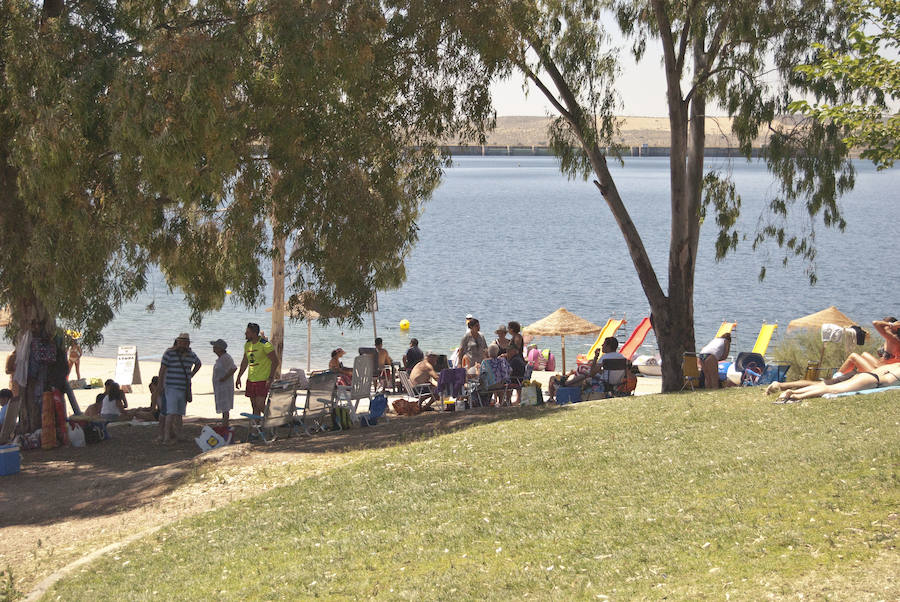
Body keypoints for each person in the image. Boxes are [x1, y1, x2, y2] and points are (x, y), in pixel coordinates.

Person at [775, 362, 900, 403]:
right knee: (831, 389)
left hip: (866, 376)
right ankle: (796, 396)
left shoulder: (896, 365)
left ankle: (793, 392)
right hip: (873, 381)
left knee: (832, 386)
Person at [158, 332, 202, 445]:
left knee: (179, 413)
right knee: (171, 412)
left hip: (183, 387)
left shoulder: (191, 354)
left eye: (185, 343)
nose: (183, 345)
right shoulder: (169, 353)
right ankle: (166, 437)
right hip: (171, 387)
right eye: (181, 342)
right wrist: (160, 385)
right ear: (177, 342)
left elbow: (198, 364)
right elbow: (162, 370)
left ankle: (178, 434)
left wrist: (191, 374)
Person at [235, 322, 278, 416]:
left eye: (248, 332)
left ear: (254, 333)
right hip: (251, 379)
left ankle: (273, 420)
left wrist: (270, 378)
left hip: (263, 379)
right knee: (254, 406)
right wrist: (239, 377)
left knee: (260, 404)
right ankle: (257, 428)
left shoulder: (265, 345)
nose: (245, 334)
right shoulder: (247, 344)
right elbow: (245, 361)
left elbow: (275, 361)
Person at [835, 317, 900, 375]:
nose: (883, 329)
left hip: (884, 372)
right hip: (880, 367)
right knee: (864, 354)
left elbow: (875, 323)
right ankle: (847, 376)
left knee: (853, 357)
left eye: (885, 327)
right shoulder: (889, 339)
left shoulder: (894, 339)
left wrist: (891, 325)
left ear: (894, 329)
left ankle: (836, 378)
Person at [210, 339, 237, 427]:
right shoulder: (220, 358)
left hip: (225, 387)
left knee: (225, 407)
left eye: (215, 346)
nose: (213, 348)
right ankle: (224, 424)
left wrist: (224, 378)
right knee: (223, 406)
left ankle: (225, 425)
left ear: (220, 348)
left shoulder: (226, 357)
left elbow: (233, 368)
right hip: (220, 387)